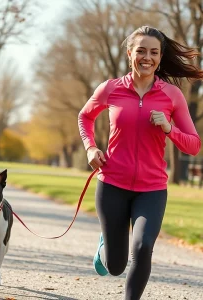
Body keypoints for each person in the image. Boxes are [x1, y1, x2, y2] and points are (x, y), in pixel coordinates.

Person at [78, 25, 202, 300]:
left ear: (160, 57)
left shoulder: (171, 95)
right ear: (129, 53)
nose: (147, 57)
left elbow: (194, 145)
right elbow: (85, 117)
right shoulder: (111, 89)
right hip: (112, 185)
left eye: (154, 52)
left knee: (144, 246)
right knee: (116, 265)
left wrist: (170, 129)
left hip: (152, 189)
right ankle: (104, 249)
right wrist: (90, 148)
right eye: (141, 51)